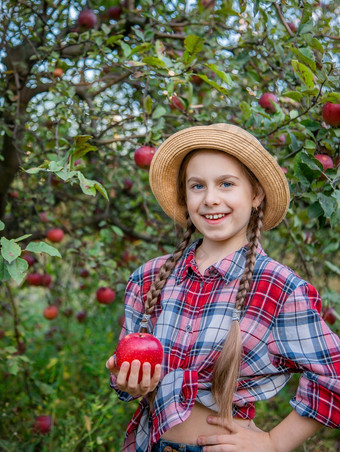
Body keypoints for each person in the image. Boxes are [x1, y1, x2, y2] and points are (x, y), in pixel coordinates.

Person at [106, 123, 340, 452]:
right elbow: (128, 377)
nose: (211, 199)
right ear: (185, 197)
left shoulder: (277, 287)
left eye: (226, 184)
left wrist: (274, 443)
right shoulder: (149, 277)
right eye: (197, 186)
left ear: (255, 194)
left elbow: (335, 374)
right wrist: (129, 383)